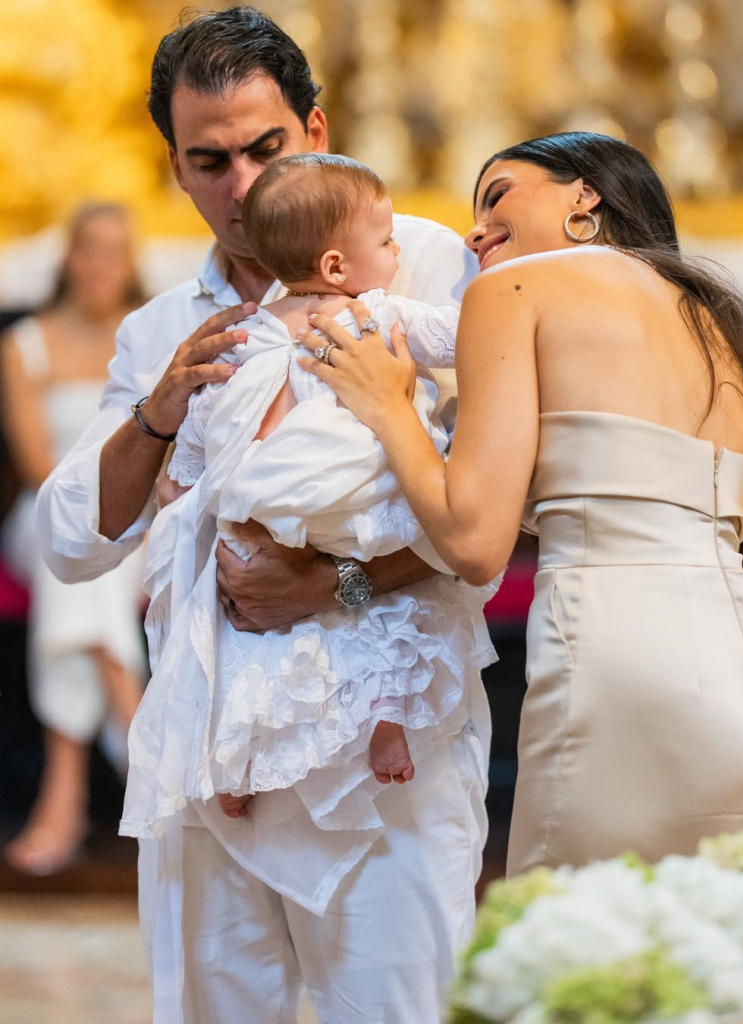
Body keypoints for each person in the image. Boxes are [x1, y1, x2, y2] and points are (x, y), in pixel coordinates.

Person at [36, 9, 489, 1023]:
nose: (240, 185)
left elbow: (498, 507)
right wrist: (157, 415)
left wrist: (335, 582)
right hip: (211, 752)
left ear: (317, 130)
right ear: (176, 168)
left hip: (386, 765)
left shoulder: (420, 267)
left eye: (264, 148)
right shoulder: (161, 325)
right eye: (210, 160)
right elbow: (70, 538)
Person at [301, 131, 743, 874]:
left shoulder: (513, 289)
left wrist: (388, 405)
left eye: (497, 195)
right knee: (709, 957)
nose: (474, 229)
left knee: (573, 958)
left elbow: (474, 545)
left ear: (584, 196)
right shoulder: (709, 318)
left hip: (617, 656)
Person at [122, 153, 493, 859]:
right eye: (386, 242)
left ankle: (233, 762)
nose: (396, 251)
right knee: (400, 600)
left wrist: (184, 486)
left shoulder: (247, 334)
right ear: (333, 264)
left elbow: (201, 427)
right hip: (351, 498)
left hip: (265, 504)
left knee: (241, 637)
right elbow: (462, 339)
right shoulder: (374, 310)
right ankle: (387, 719)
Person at [1, 203, 147, 875]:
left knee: (90, 568)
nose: (98, 265)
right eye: (88, 249)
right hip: (43, 517)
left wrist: (119, 505)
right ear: (69, 257)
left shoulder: (148, 337)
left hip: (137, 522)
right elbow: (35, 468)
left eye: (113, 251)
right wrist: (95, 506)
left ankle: (63, 796)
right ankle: (139, 731)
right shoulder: (24, 343)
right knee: (75, 552)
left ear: (130, 262)